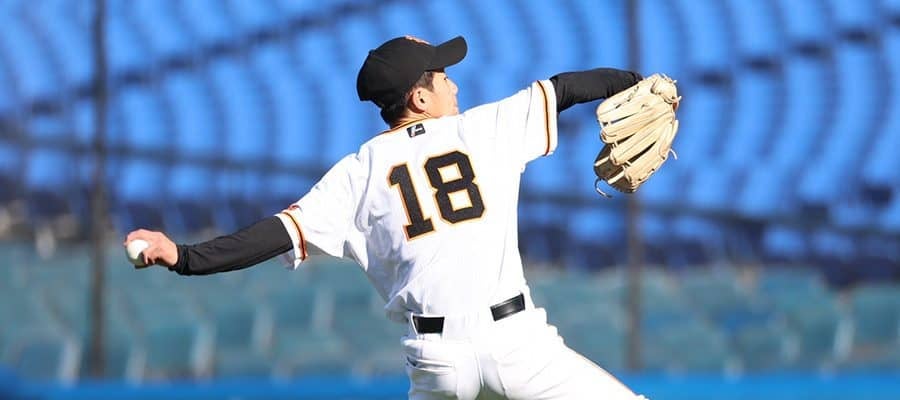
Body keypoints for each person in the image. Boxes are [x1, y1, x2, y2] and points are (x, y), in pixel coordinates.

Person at [126, 35, 647, 399]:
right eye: (444, 78)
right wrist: (637, 81)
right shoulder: (482, 130)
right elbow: (567, 87)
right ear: (419, 97)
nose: (454, 86)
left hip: (437, 364)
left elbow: (272, 235)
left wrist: (185, 257)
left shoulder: (358, 172)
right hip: (516, 345)